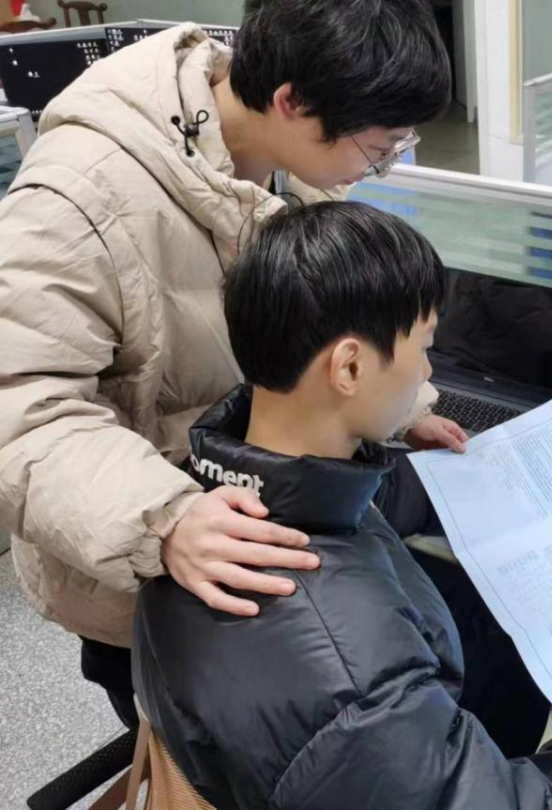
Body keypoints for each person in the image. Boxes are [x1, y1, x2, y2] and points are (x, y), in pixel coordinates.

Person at [132, 200, 552, 810]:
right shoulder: (355, 682)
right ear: (349, 367)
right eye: (424, 347)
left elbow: (366, 504)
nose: (428, 373)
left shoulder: (208, 495)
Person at [0, 0, 472, 734]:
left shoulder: (290, 160)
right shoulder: (78, 197)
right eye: (378, 149)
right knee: (199, 756)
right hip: (156, 565)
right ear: (292, 102)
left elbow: (328, 312)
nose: (378, 168)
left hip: (264, 511)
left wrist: (403, 405)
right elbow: (19, 406)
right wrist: (165, 519)